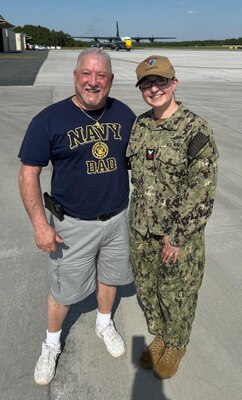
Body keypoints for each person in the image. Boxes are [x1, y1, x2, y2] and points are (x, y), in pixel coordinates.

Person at [18, 48, 136, 385]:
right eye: (87, 73)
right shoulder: (49, 120)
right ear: (75, 76)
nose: (93, 81)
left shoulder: (123, 114)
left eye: (101, 76)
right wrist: (41, 225)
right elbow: (28, 174)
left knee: (111, 275)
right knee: (63, 290)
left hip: (117, 219)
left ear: (111, 81)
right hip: (72, 225)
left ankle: (104, 322)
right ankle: (51, 343)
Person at [126, 55, 219, 379]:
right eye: (147, 84)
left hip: (177, 235)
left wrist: (177, 236)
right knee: (149, 288)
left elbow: (202, 191)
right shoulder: (139, 125)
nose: (154, 89)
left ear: (174, 83)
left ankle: (177, 342)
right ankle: (161, 334)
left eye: (161, 82)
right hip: (141, 228)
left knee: (176, 292)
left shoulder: (195, 129)